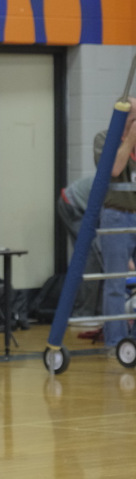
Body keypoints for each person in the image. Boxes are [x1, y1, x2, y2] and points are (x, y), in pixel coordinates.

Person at [94, 100, 136, 355]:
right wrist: (130, 138)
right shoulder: (103, 138)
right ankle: (116, 342)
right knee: (115, 283)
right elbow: (114, 168)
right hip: (116, 217)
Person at [57, 175, 103, 321]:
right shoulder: (121, 188)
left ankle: (100, 312)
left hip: (85, 205)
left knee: (101, 256)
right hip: (72, 205)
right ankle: (83, 314)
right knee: (92, 256)